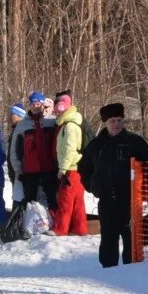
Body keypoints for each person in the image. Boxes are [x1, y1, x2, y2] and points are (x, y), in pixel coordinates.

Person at [81, 102, 148, 268]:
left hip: (130, 199)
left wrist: (145, 190)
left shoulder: (134, 142)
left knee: (131, 238)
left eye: (119, 120)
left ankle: (132, 270)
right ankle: (109, 271)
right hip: (106, 199)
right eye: (112, 121)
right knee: (108, 238)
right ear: (105, 123)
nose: (116, 124)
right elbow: (84, 168)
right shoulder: (96, 145)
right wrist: (92, 186)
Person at [51, 91, 88, 235]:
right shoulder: (71, 123)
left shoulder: (69, 126)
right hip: (76, 168)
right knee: (78, 201)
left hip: (70, 169)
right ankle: (80, 229)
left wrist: (62, 168)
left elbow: (69, 149)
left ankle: (60, 229)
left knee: (65, 200)